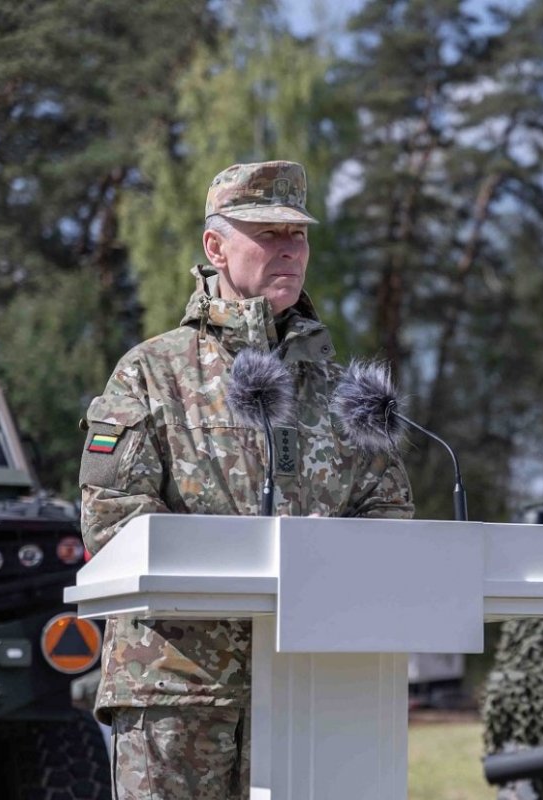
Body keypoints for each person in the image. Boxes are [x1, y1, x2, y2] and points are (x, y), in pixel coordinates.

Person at [78, 160, 414, 800]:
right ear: (216, 246)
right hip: (178, 691)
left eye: (299, 235)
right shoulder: (152, 374)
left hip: (311, 686)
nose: (289, 247)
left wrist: (329, 552)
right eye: (268, 232)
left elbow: (389, 510)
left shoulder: (339, 389)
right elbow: (112, 521)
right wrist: (260, 551)